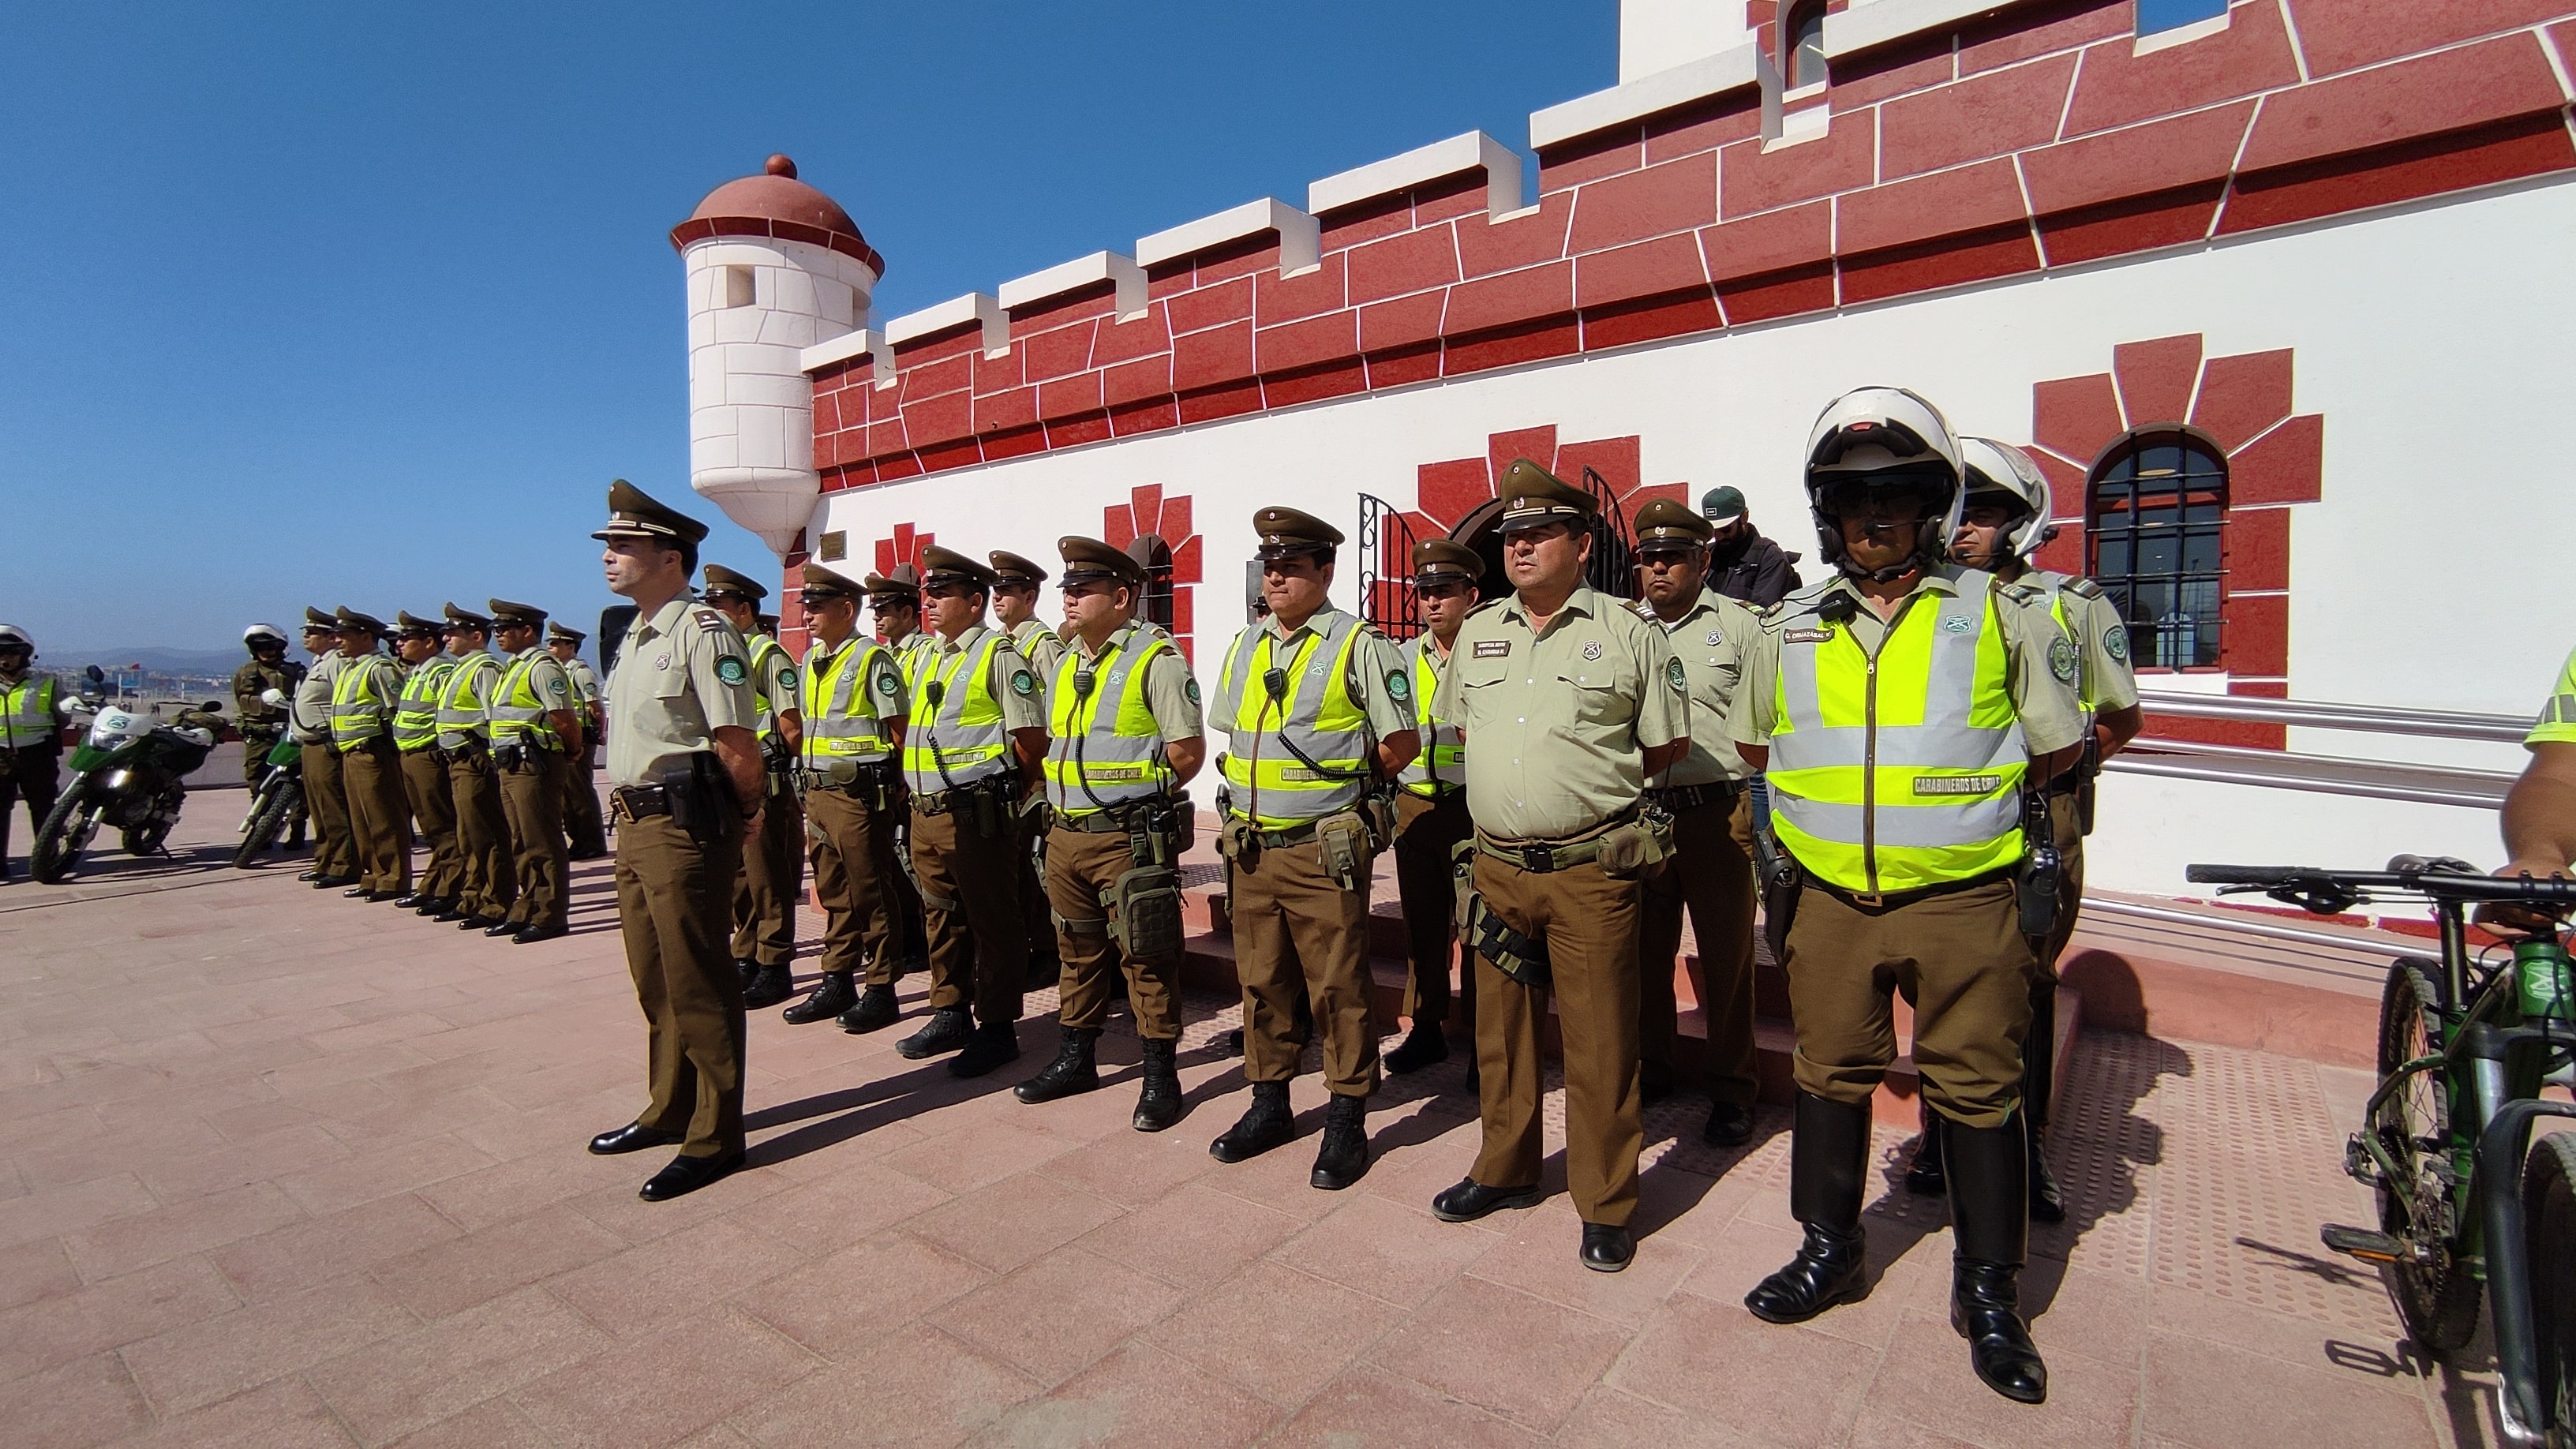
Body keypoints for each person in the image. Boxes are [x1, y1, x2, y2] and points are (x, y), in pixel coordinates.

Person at [1733, 388, 2083, 1406]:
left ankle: (1990, 1296)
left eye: (1897, 496)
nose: (1873, 516)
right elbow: (1759, 746)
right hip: (1832, 898)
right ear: (1825, 515)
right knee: (1828, 1073)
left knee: (1978, 1090)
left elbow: (2059, 748)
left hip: (1966, 899)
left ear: (1933, 506)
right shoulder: (1788, 624)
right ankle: (1828, 1250)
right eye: (1852, 500)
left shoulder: (2003, 615)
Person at [1426, 462, 1686, 1272]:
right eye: (1511, 535)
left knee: (1601, 1039)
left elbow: (1664, 745)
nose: (1521, 546)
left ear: (1582, 544)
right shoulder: (1478, 631)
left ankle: (1605, 1201)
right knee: (1499, 1034)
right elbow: (1461, 729)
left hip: (1588, 870)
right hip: (1497, 867)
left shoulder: (1630, 631)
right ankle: (1504, 1168)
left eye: (1539, 533)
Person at [1904, 438, 2144, 1219]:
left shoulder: (2071, 604)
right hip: (1945, 825)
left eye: (1985, 512)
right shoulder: (1918, 604)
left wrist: (2065, 772)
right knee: (1940, 980)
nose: (1965, 528)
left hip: (2039, 828)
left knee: (2029, 988)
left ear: (2021, 520)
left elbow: (2121, 715)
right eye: (1956, 513)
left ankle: (2027, 1146)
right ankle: (1937, 1135)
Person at [1208, 507, 1417, 1189]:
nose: (1276, 577)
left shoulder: (1361, 645)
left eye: (1291, 567)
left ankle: (1347, 1117)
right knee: (1261, 981)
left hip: (1321, 851)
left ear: (1325, 573)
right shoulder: (1245, 646)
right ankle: (1269, 1103)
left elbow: (1401, 743)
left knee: (1338, 988)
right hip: (1251, 849)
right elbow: (1234, 735)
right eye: (1269, 567)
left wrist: (1341, 797)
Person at [586, 479, 764, 1200]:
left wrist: (744, 819)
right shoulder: (635, 633)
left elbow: (736, 744)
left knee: (698, 979)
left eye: (624, 545)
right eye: (608, 545)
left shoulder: (702, 630)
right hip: (633, 822)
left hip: (683, 825)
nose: (609, 556)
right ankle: (670, 1108)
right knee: (655, 980)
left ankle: (717, 1135)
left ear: (670, 556)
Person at [1013, 535, 1207, 1130]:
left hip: (1125, 837)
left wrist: (1135, 798)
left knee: (1145, 955)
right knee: (1076, 950)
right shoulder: (1068, 659)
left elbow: (1187, 753)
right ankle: (1077, 1058)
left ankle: (1159, 1074)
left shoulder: (1156, 658)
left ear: (1121, 597)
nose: (1068, 598)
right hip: (1067, 833)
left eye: (1082, 589)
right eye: (1067, 589)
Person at [1628, 498, 1763, 1147]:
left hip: (1718, 813)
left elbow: (1771, 725)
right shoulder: (1622, 628)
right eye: (1648, 558)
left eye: (1672, 558)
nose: (1658, 569)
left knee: (1726, 956)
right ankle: (1653, 1067)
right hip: (1645, 814)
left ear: (1702, 561)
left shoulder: (1742, 627)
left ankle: (1733, 1088)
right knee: (1645, 952)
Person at [893, 545, 1049, 1076]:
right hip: (927, 811)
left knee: (993, 920)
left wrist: (1005, 795)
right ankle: (950, 1010)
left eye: (941, 594)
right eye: (927, 594)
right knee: (940, 914)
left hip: (976, 813)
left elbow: (1030, 738)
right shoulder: (930, 655)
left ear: (974, 600)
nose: (930, 603)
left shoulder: (1000, 657)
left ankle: (999, 1027)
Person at [786, 562, 912, 1031]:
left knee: (871, 891)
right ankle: (837, 977)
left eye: (818, 608)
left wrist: (895, 783)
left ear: (846, 609)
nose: (809, 616)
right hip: (818, 791)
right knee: (833, 891)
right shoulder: (810, 660)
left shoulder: (871, 660)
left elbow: (900, 730)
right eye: (806, 608)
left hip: (857, 794)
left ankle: (882, 987)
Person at [1384, 539, 1482, 1080]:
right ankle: (1426, 1029)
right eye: (1424, 593)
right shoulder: (1400, 658)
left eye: (1444, 591)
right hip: (1416, 804)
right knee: (1422, 927)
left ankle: (1483, 1042)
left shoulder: (1493, 651)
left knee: (1480, 928)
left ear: (1472, 595)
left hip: (1476, 805)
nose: (1432, 602)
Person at [700, 564, 805, 1010]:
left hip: (767, 782)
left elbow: (789, 725)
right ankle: (746, 955)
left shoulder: (768, 656)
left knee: (768, 879)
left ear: (743, 609)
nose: (711, 613)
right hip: (729, 784)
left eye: (719, 605)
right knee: (740, 879)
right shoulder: (724, 653)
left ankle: (775, 964)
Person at [993, 549, 1068, 983]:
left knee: (1034, 865)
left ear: (1030, 596)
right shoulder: (1003, 645)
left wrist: (1039, 775)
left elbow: (1055, 712)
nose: (998, 598)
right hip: (1008, 769)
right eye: (996, 590)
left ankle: (1045, 947)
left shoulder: (1042, 645)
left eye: (1007, 590)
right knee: (1016, 866)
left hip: (1034, 771)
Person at [488, 600, 580, 944]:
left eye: (505, 629)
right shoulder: (513, 666)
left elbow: (563, 718)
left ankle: (550, 915)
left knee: (542, 840)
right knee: (520, 841)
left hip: (534, 763)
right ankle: (526, 907)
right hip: (511, 764)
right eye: (496, 629)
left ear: (527, 631)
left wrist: (572, 750)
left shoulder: (542, 666)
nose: (498, 635)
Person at [435, 604, 515, 928]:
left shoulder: (484, 668)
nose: (447, 637)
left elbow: (492, 717)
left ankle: (496, 902)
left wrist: (491, 759)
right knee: (468, 834)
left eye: (454, 633)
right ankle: (473, 897)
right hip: (457, 759)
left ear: (476, 637)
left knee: (488, 833)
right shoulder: (461, 666)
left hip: (475, 756)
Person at [328, 608, 414, 901]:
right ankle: (373, 875)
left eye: (344, 635)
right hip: (350, 752)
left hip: (373, 752)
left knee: (383, 817)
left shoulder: (380, 667)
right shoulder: (351, 667)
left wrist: (389, 750)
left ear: (366, 637)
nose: (337, 640)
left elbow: (397, 711)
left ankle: (393, 878)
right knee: (362, 820)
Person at [389, 612, 463, 915]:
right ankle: (435, 885)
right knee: (431, 828)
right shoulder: (417, 671)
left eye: (407, 639)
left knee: (443, 825)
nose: (400, 643)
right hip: (410, 754)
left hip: (429, 755)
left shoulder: (441, 671)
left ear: (429, 643)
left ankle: (452, 888)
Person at [0, 624, 73, 883]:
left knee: (43, 808)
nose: (4, 659)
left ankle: (47, 858)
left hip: (36, 754)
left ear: (24, 654)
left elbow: (63, 716)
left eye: (10, 653)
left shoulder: (46, 682)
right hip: (0, 755)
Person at [293, 608, 358, 889]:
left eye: (313, 633)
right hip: (309, 743)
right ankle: (325, 859)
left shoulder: (336, 662)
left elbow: (344, 701)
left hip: (326, 743)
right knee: (319, 808)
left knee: (334, 807)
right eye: (306, 632)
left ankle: (344, 864)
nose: (307, 636)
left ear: (331, 638)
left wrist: (335, 734)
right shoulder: (318, 662)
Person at [549, 623, 610, 860]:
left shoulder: (580, 672)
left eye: (555, 644)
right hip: (565, 736)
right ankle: (579, 840)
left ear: (570, 646)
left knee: (579, 791)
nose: (551, 648)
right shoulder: (559, 671)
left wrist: (598, 733)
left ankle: (591, 841)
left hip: (582, 734)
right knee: (567, 793)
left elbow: (595, 707)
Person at [1701, 485, 1803, 606]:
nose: (1719, 537)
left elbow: (1762, 617)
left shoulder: (1770, 557)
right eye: (1713, 530)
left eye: (1725, 529)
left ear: (1744, 517)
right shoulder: (1706, 555)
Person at [230, 624, 298, 790]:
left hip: (286, 738)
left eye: (270, 647)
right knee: (257, 785)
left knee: (294, 784)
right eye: (260, 647)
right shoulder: (245, 673)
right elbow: (239, 703)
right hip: (257, 739)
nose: (266, 651)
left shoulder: (295, 672)